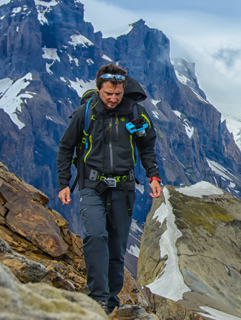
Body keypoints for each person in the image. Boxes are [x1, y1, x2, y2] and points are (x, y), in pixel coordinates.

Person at [56, 63, 162, 314]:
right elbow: (65, 148)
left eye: (117, 93)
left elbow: (146, 146)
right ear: (98, 89)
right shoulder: (85, 113)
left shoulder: (136, 113)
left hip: (124, 187)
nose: (113, 99)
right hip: (91, 184)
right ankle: (98, 298)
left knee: (117, 248)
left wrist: (153, 176)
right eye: (108, 94)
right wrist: (63, 183)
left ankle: (111, 303)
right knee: (94, 235)